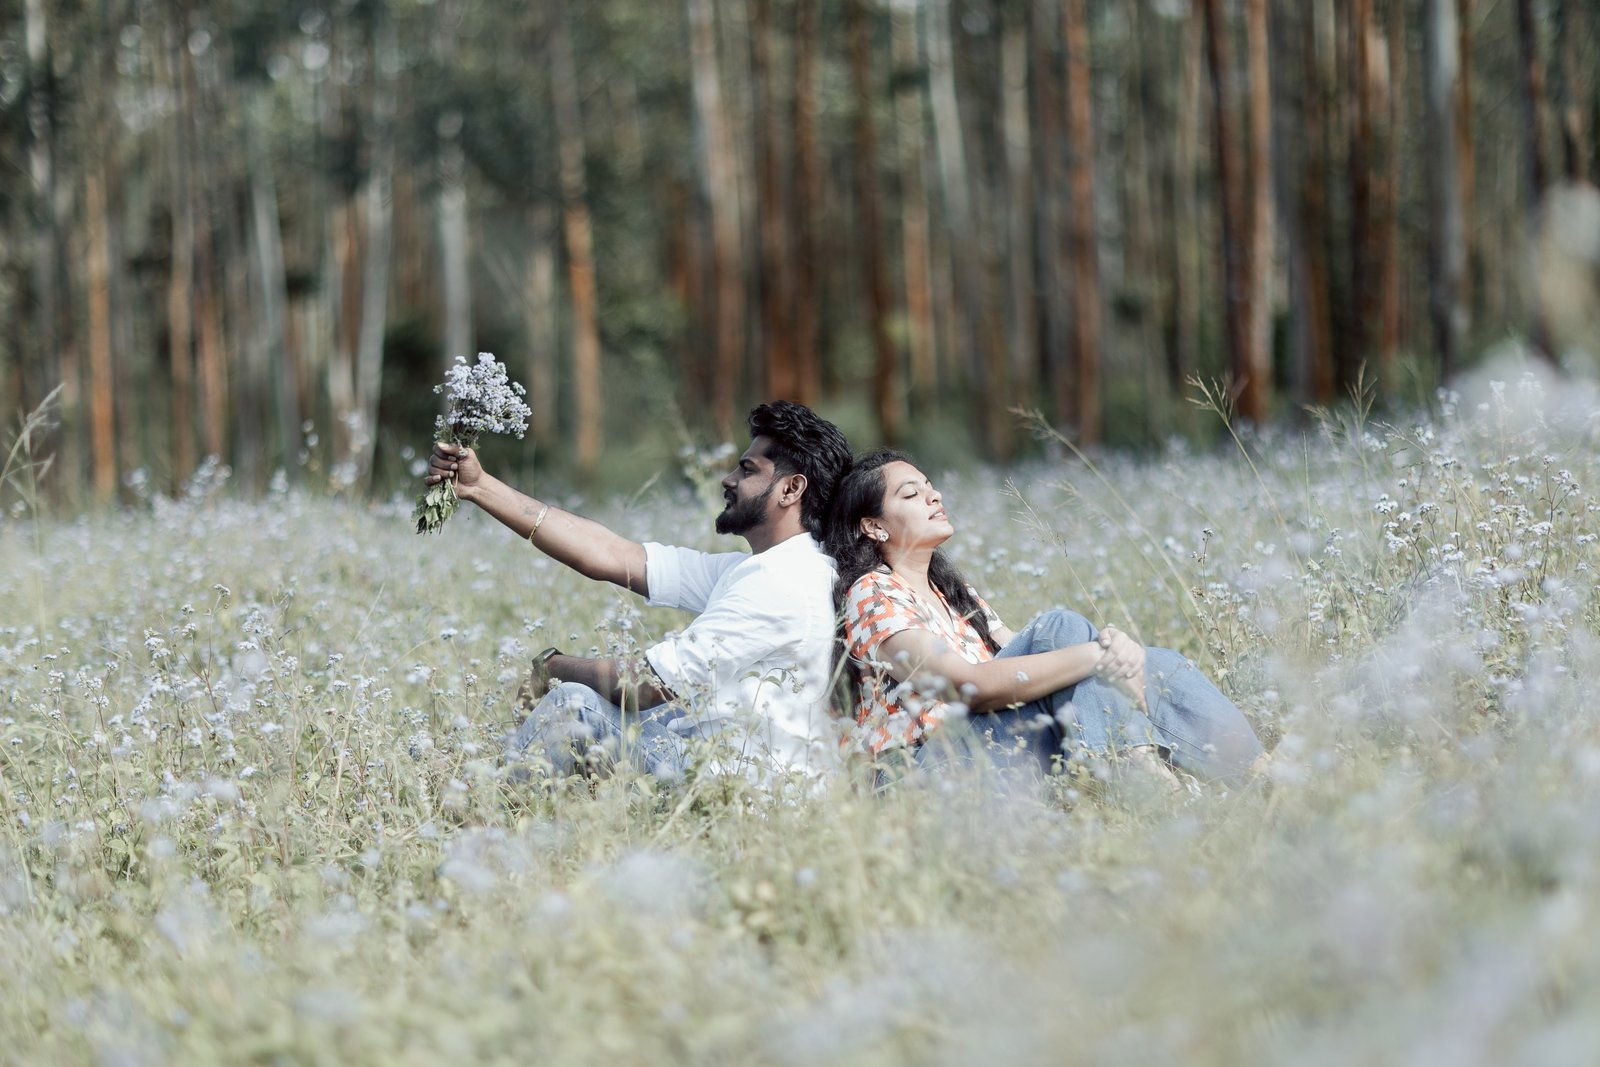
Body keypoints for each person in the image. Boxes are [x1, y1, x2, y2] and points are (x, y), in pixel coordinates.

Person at [425, 401, 852, 783]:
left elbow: (645, 686)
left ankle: (481, 809)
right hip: (728, 766)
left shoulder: (781, 580)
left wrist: (550, 667)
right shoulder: (768, 567)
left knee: (575, 703)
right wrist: (479, 487)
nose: (728, 479)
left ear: (791, 489)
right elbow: (614, 555)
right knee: (643, 714)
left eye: (747, 469)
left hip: (747, 789)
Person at [824, 448, 1265, 784]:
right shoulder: (872, 593)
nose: (934, 495)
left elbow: (1042, 661)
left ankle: (1254, 771)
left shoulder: (954, 594)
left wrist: (1113, 649)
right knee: (1064, 630)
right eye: (911, 494)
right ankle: (1139, 773)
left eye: (929, 486)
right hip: (918, 775)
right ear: (873, 526)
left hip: (983, 749)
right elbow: (967, 687)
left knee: (1157, 662)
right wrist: (1097, 654)